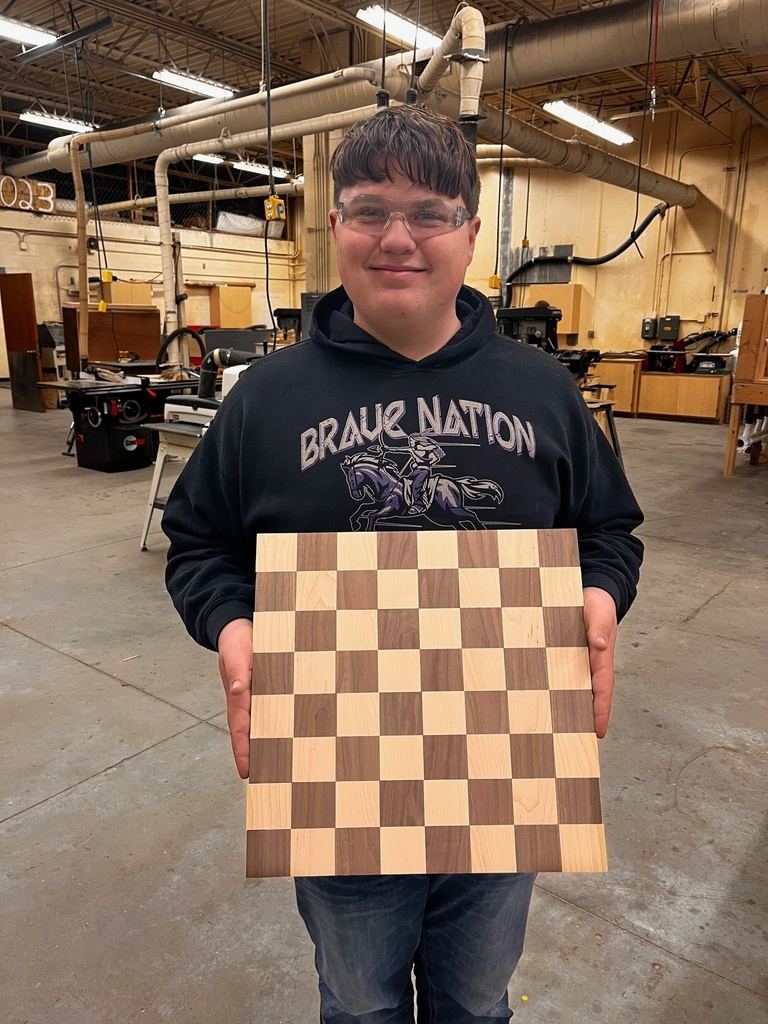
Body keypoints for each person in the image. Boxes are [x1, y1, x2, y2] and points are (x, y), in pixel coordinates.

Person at [163, 104, 643, 1023]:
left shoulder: (542, 391)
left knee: (476, 1000)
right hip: (333, 767)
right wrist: (231, 627)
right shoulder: (266, 398)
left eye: (428, 214)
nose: (397, 238)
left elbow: (610, 528)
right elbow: (199, 541)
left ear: (470, 233)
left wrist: (598, 592)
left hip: (507, 762)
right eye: (370, 210)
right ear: (335, 224)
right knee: (359, 1002)